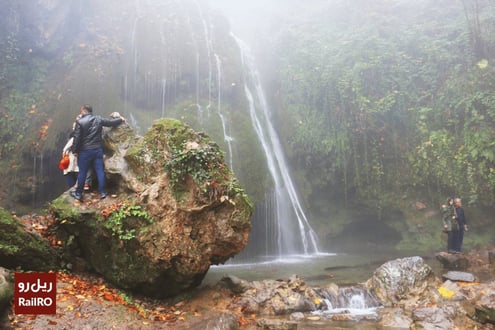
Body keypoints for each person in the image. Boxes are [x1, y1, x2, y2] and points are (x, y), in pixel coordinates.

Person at [70, 104, 125, 201]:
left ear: (83, 111)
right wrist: (120, 119)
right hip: (97, 150)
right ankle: (103, 192)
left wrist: (75, 150)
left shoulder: (80, 122)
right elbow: (110, 123)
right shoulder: (98, 119)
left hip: (85, 151)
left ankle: (78, 194)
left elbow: (77, 138)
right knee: (100, 171)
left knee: (82, 172)